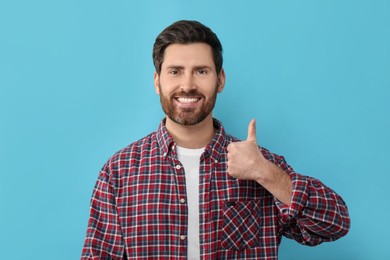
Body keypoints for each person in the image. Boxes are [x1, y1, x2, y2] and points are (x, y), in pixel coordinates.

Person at [81, 20, 350, 259]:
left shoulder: (261, 165)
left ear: (220, 80)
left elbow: (335, 223)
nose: (187, 85)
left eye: (201, 71)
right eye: (175, 71)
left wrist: (265, 173)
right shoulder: (119, 172)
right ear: (157, 81)